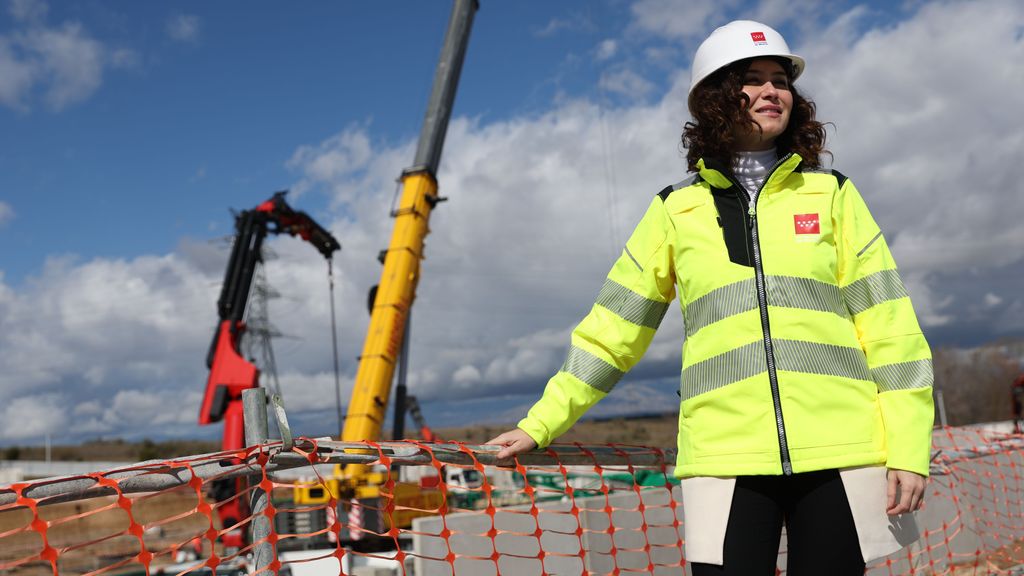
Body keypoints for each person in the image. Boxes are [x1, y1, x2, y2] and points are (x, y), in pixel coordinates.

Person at [487, 20, 934, 575]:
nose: (773, 91)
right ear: (718, 98)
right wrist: (541, 422)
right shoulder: (675, 210)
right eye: (753, 79)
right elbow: (614, 330)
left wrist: (911, 448)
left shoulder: (833, 195)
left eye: (781, 80)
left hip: (843, 452)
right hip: (724, 460)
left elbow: (891, 328)